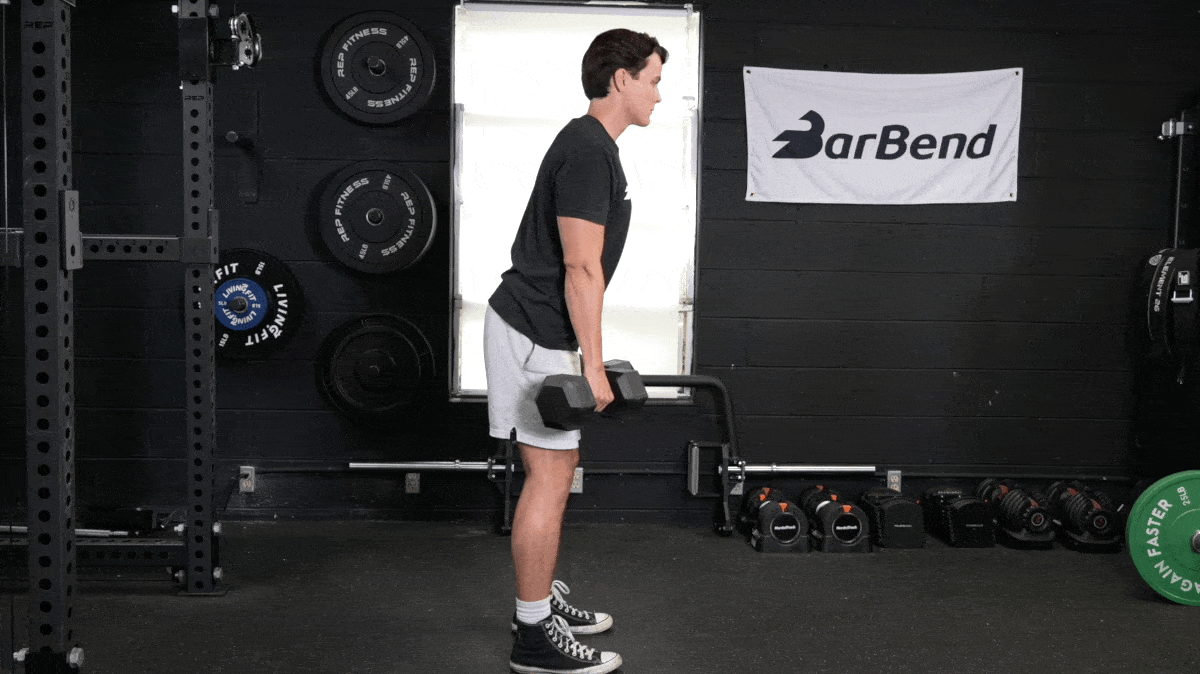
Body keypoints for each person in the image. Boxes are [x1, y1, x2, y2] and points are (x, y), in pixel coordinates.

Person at [483, 27, 667, 674]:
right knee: (549, 477)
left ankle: (539, 601)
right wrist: (592, 363)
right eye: (653, 80)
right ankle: (532, 635)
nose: (658, 96)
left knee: (556, 472)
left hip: (537, 327)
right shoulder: (589, 152)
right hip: (537, 331)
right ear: (621, 79)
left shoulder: (591, 146)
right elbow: (581, 267)